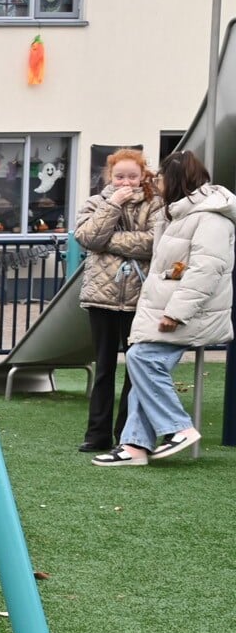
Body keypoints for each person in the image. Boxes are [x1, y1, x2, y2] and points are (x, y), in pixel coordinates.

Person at [91, 150, 233, 467]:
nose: (157, 184)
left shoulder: (208, 217)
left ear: (177, 179)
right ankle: (135, 446)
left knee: (141, 357)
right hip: (171, 307)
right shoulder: (178, 214)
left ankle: (178, 427)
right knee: (143, 361)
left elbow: (206, 270)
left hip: (193, 312)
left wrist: (176, 312)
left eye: (161, 178)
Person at [73, 148, 165, 452]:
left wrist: (108, 243)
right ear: (109, 177)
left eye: (133, 176)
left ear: (143, 176)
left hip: (140, 298)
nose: (126, 182)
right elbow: (86, 237)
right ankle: (96, 433)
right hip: (102, 297)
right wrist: (113, 205)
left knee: (135, 370)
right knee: (104, 369)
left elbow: (154, 242)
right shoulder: (97, 203)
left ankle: (127, 433)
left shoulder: (154, 204)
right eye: (119, 176)